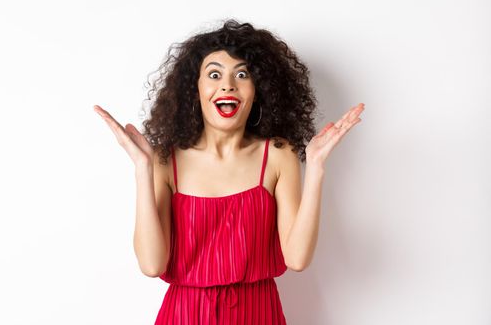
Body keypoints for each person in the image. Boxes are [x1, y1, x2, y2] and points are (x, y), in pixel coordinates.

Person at [94, 19, 364, 324]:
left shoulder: (277, 155)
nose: (227, 85)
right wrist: (143, 169)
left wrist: (315, 167)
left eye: (241, 74)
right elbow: (152, 265)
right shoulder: (165, 160)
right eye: (214, 74)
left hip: (258, 314)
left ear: (258, 89)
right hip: (184, 315)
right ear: (194, 89)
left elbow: (297, 259)